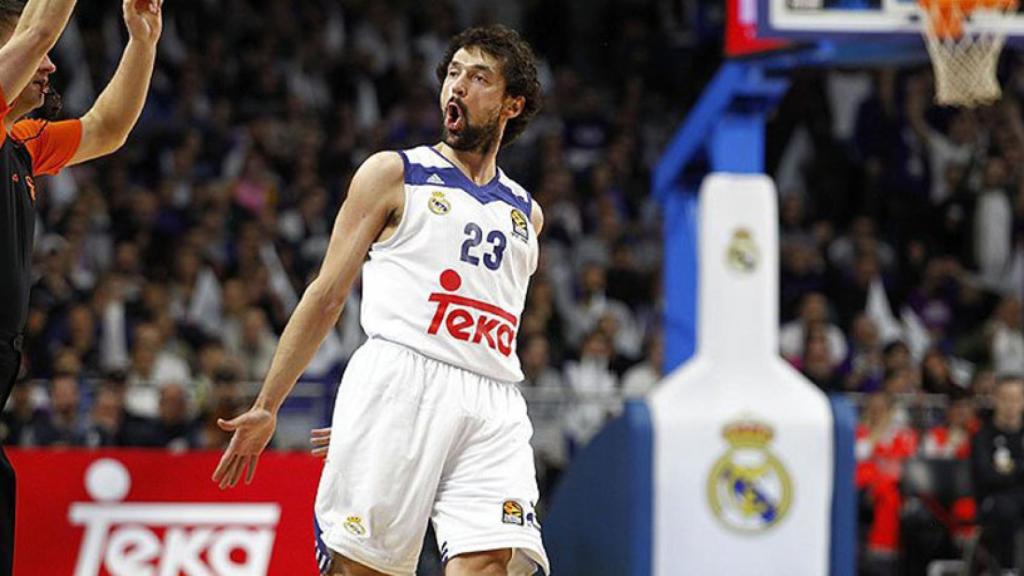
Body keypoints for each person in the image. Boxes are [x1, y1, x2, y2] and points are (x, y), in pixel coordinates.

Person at [213, 25, 548, 576]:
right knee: (364, 569)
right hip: (398, 385)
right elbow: (325, 295)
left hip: (494, 400)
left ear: (512, 104)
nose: (457, 87)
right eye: (453, 73)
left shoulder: (526, 213)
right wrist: (270, 403)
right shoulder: (395, 173)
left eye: (478, 77)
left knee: (491, 562)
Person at [0, 1, 162, 573]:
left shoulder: (20, 144)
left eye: (44, 54)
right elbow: (44, 23)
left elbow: (107, 129)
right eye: (33, 52)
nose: (48, 64)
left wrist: (142, 42)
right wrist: (39, 31)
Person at [971, 374, 1024, 570]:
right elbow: (988, 476)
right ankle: (1007, 570)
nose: (1011, 404)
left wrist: (1011, 468)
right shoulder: (983, 436)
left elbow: (1001, 473)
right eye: (1005, 398)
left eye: (1016, 398)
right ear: (995, 399)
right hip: (993, 500)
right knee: (1006, 509)